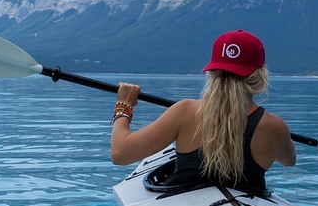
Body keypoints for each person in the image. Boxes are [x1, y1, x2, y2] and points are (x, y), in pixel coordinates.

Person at [110, 30, 296, 194]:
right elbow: (289, 161)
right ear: (260, 75)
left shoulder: (185, 112)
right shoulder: (274, 126)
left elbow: (120, 154)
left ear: (212, 71)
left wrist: (123, 106)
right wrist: (280, 137)